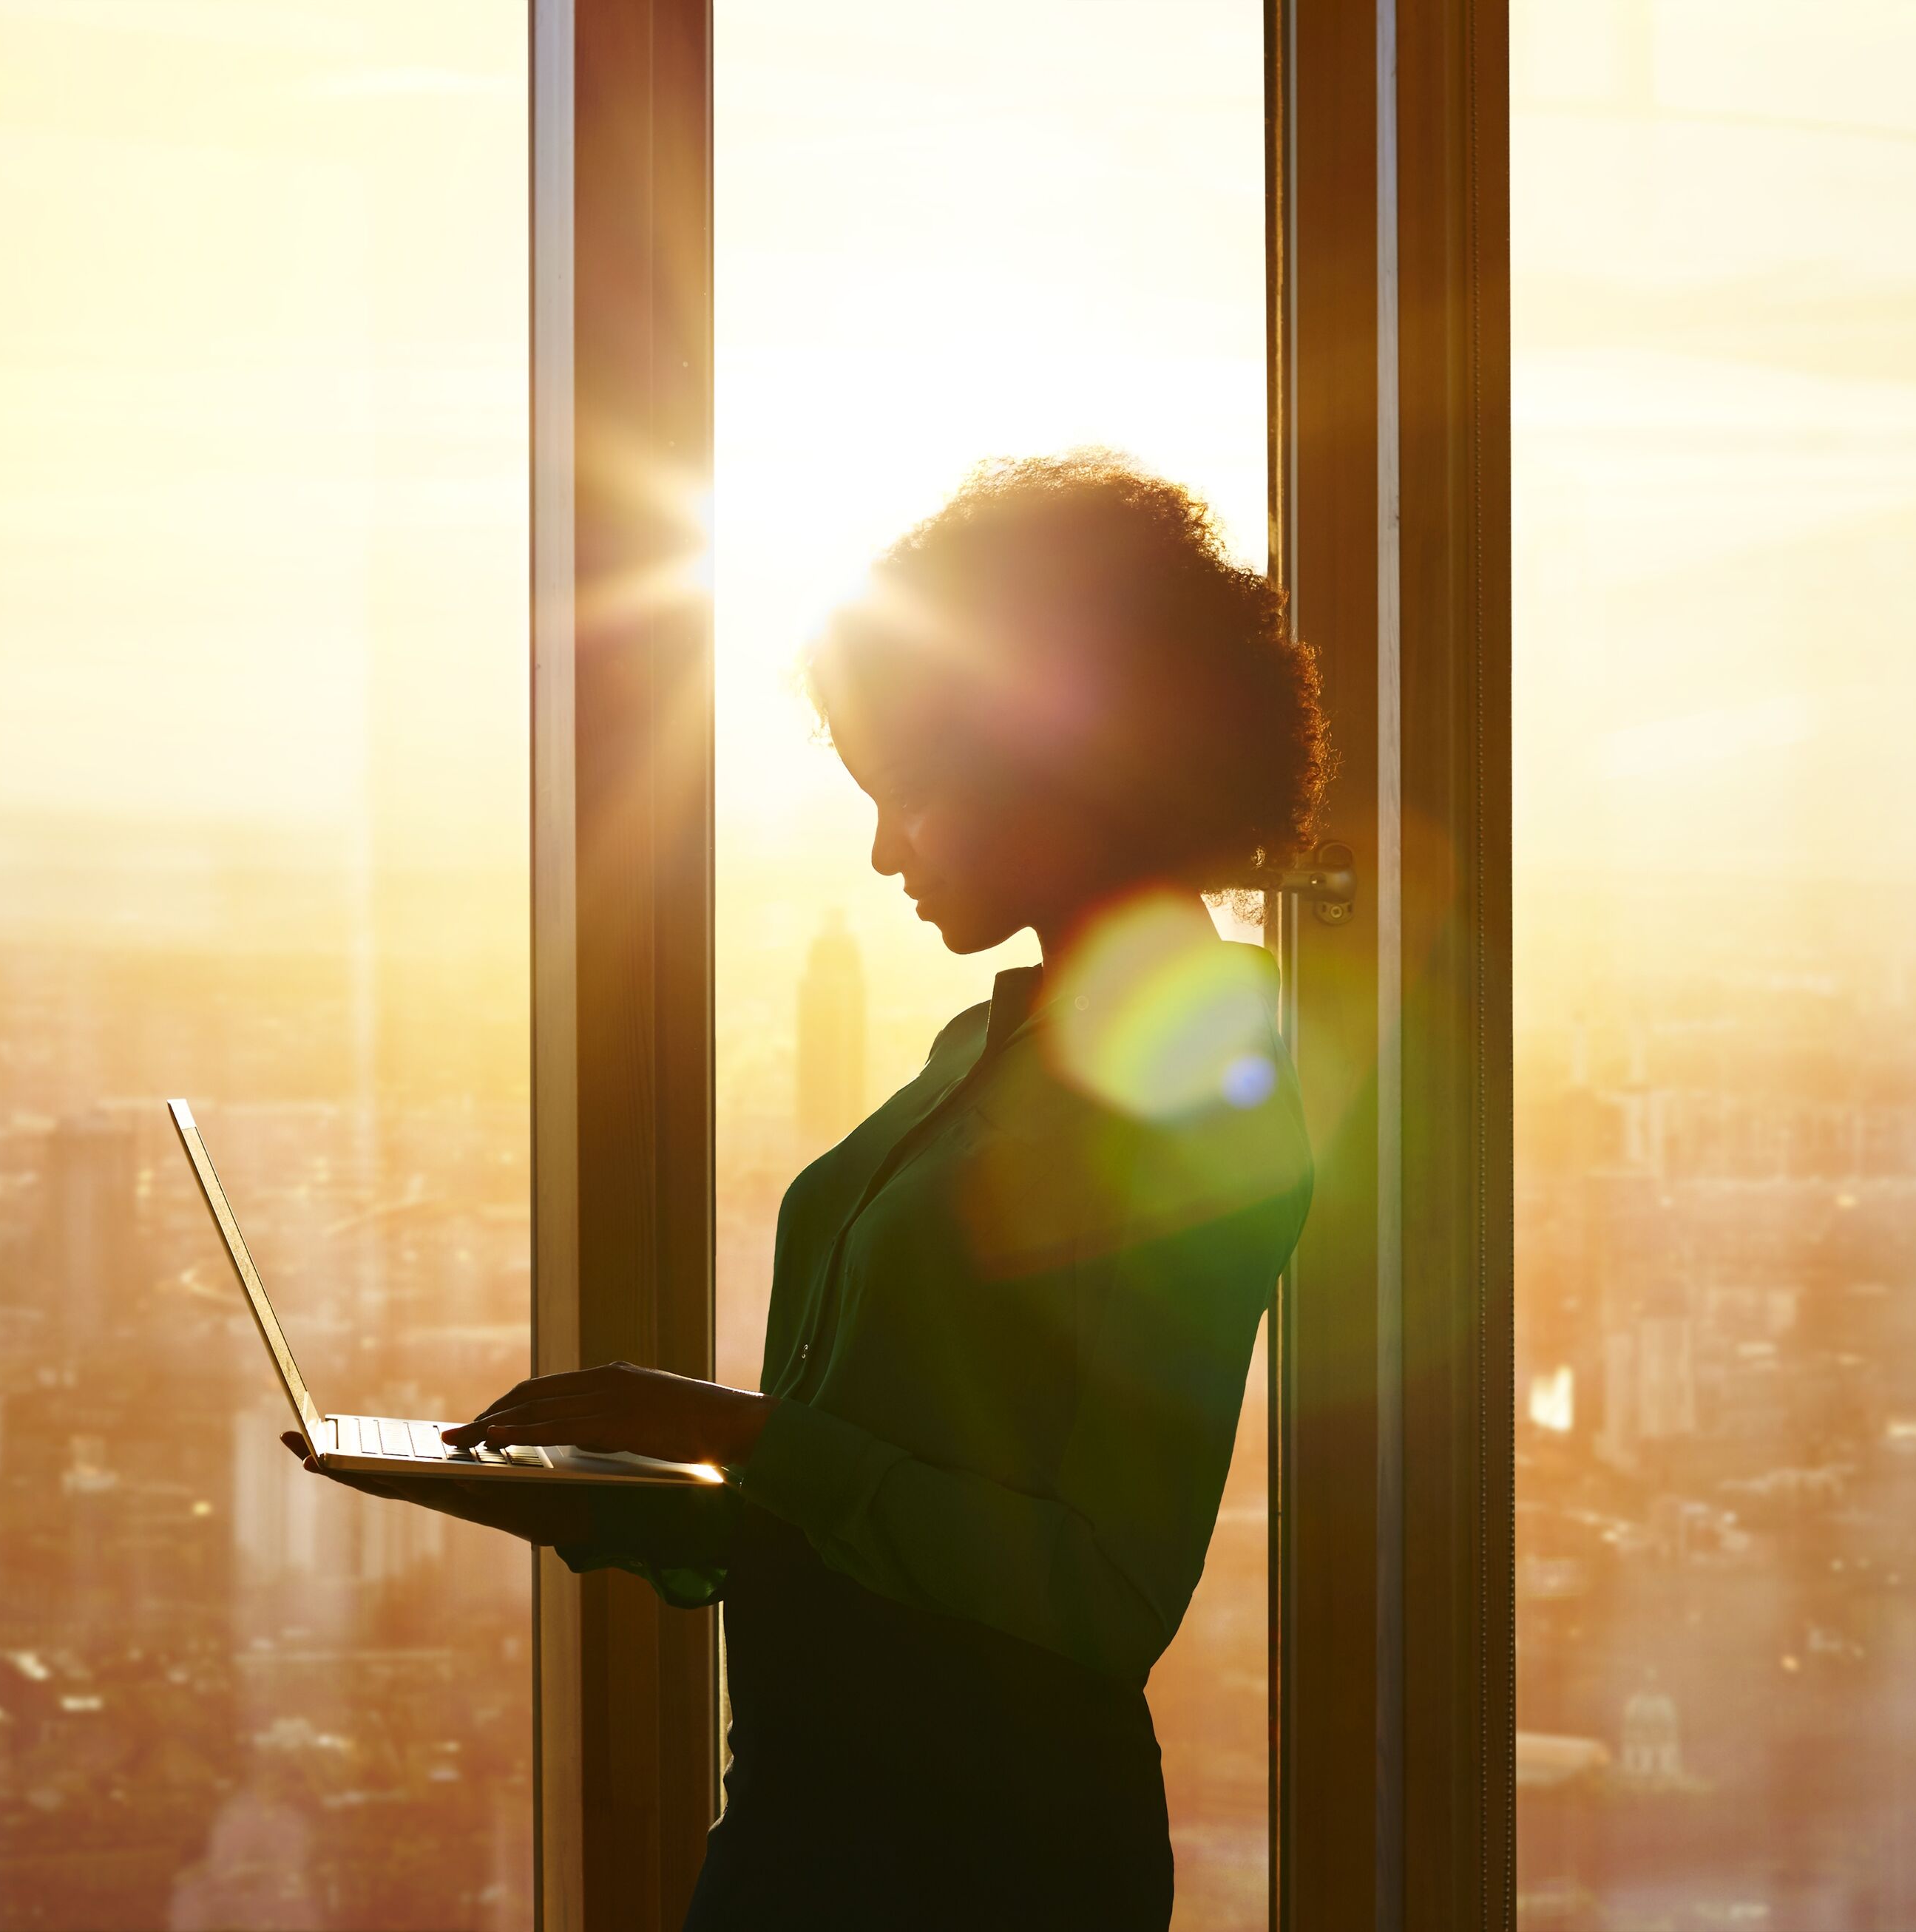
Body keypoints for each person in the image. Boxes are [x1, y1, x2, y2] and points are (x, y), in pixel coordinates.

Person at [283, 453, 1330, 1929]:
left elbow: (1097, 1589)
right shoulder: (993, 1046)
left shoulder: (1188, 1096)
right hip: (815, 1813)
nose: (884, 847)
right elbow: (877, 1483)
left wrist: (738, 1434)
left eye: (908, 793)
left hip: (983, 1857)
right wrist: (620, 1484)